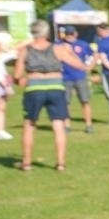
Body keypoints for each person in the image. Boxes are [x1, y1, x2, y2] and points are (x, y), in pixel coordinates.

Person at [14, 19, 79, 171]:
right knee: (58, 125)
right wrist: (72, 53)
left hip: (34, 88)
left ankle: (27, 163)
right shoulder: (57, 49)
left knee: (29, 125)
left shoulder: (25, 50)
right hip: (56, 87)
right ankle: (61, 163)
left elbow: (17, 75)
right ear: (47, 32)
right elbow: (77, 64)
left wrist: (20, 80)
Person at [58, 25, 97, 134]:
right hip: (65, 77)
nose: (69, 36)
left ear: (76, 34)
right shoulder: (59, 45)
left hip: (80, 76)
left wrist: (90, 67)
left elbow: (95, 54)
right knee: (66, 102)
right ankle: (67, 125)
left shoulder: (82, 44)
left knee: (85, 101)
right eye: (68, 34)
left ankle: (88, 125)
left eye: (71, 34)